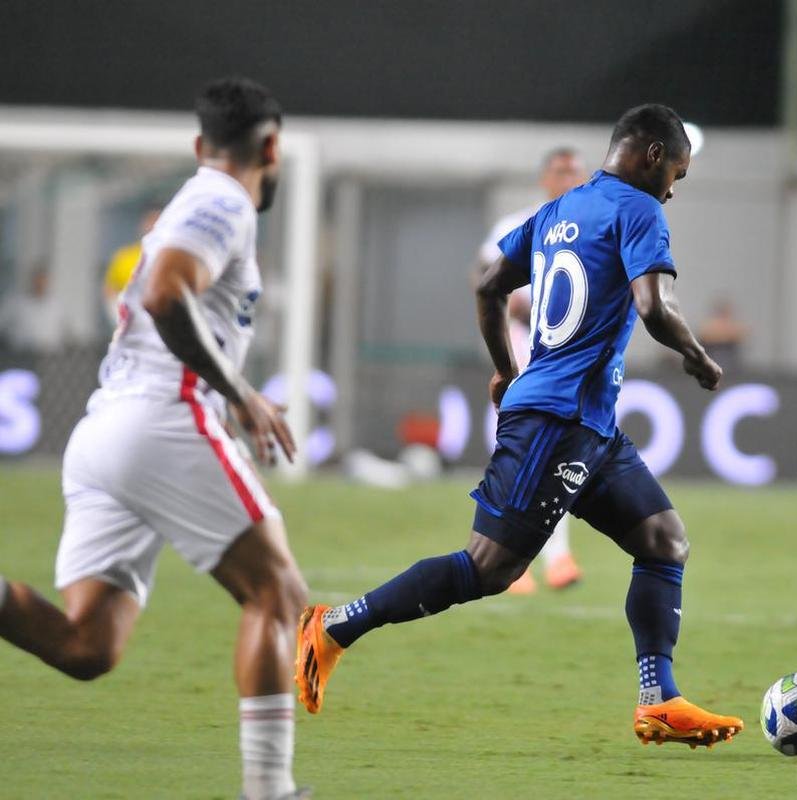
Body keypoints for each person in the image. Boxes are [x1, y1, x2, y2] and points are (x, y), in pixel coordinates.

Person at [297, 104, 744, 749]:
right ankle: (333, 625)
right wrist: (698, 357)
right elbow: (654, 304)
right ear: (651, 156)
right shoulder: (640, 209)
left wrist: (505, 369)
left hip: (586, 423)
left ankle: (659, 699)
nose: (674, 187)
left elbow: (488, 287)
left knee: (663, 541)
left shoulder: (559, 211)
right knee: (489, 569)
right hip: (556, 421)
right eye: (676, 170)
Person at [0, 78, 310, 800]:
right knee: (278, 592)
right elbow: (167, 291)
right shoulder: (222, 198)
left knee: (87, 646)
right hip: (163, 417)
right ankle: (271, 792)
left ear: (201, 145)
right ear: (270, 148)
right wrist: (239, 394)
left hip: (107, 429)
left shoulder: (193, 199)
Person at [474, 147, 587, 594]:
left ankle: (550, 557)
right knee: (523, 450)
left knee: (560, 454)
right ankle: (518, 559)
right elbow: (483, 279)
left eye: (576, 170)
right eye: (561, 170)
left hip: (571, 356)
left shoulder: (596, 223)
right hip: (525, 352)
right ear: (545, 178)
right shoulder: (519, 225)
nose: (570, 177)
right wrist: (510, 298)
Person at [102, 205, 162, 324]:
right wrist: (121, 317)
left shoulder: (171, 256)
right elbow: (110, 290)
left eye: (157, 221)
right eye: (150, 221)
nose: (152, 226)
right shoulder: (124, 256)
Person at [0, 263, 67, 354]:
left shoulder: (56, 305)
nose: (40, 284)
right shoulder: (16, 302)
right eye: (37, 280)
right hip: (20, 355)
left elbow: (62, 332)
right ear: (32, 280)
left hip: (49, 357)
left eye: (43, 280)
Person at [698, 296, 750, 371]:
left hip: (731, 363)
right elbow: (705, 335)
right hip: (712, 361)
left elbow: (743, 334)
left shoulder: (732, 325)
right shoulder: (709, 325)